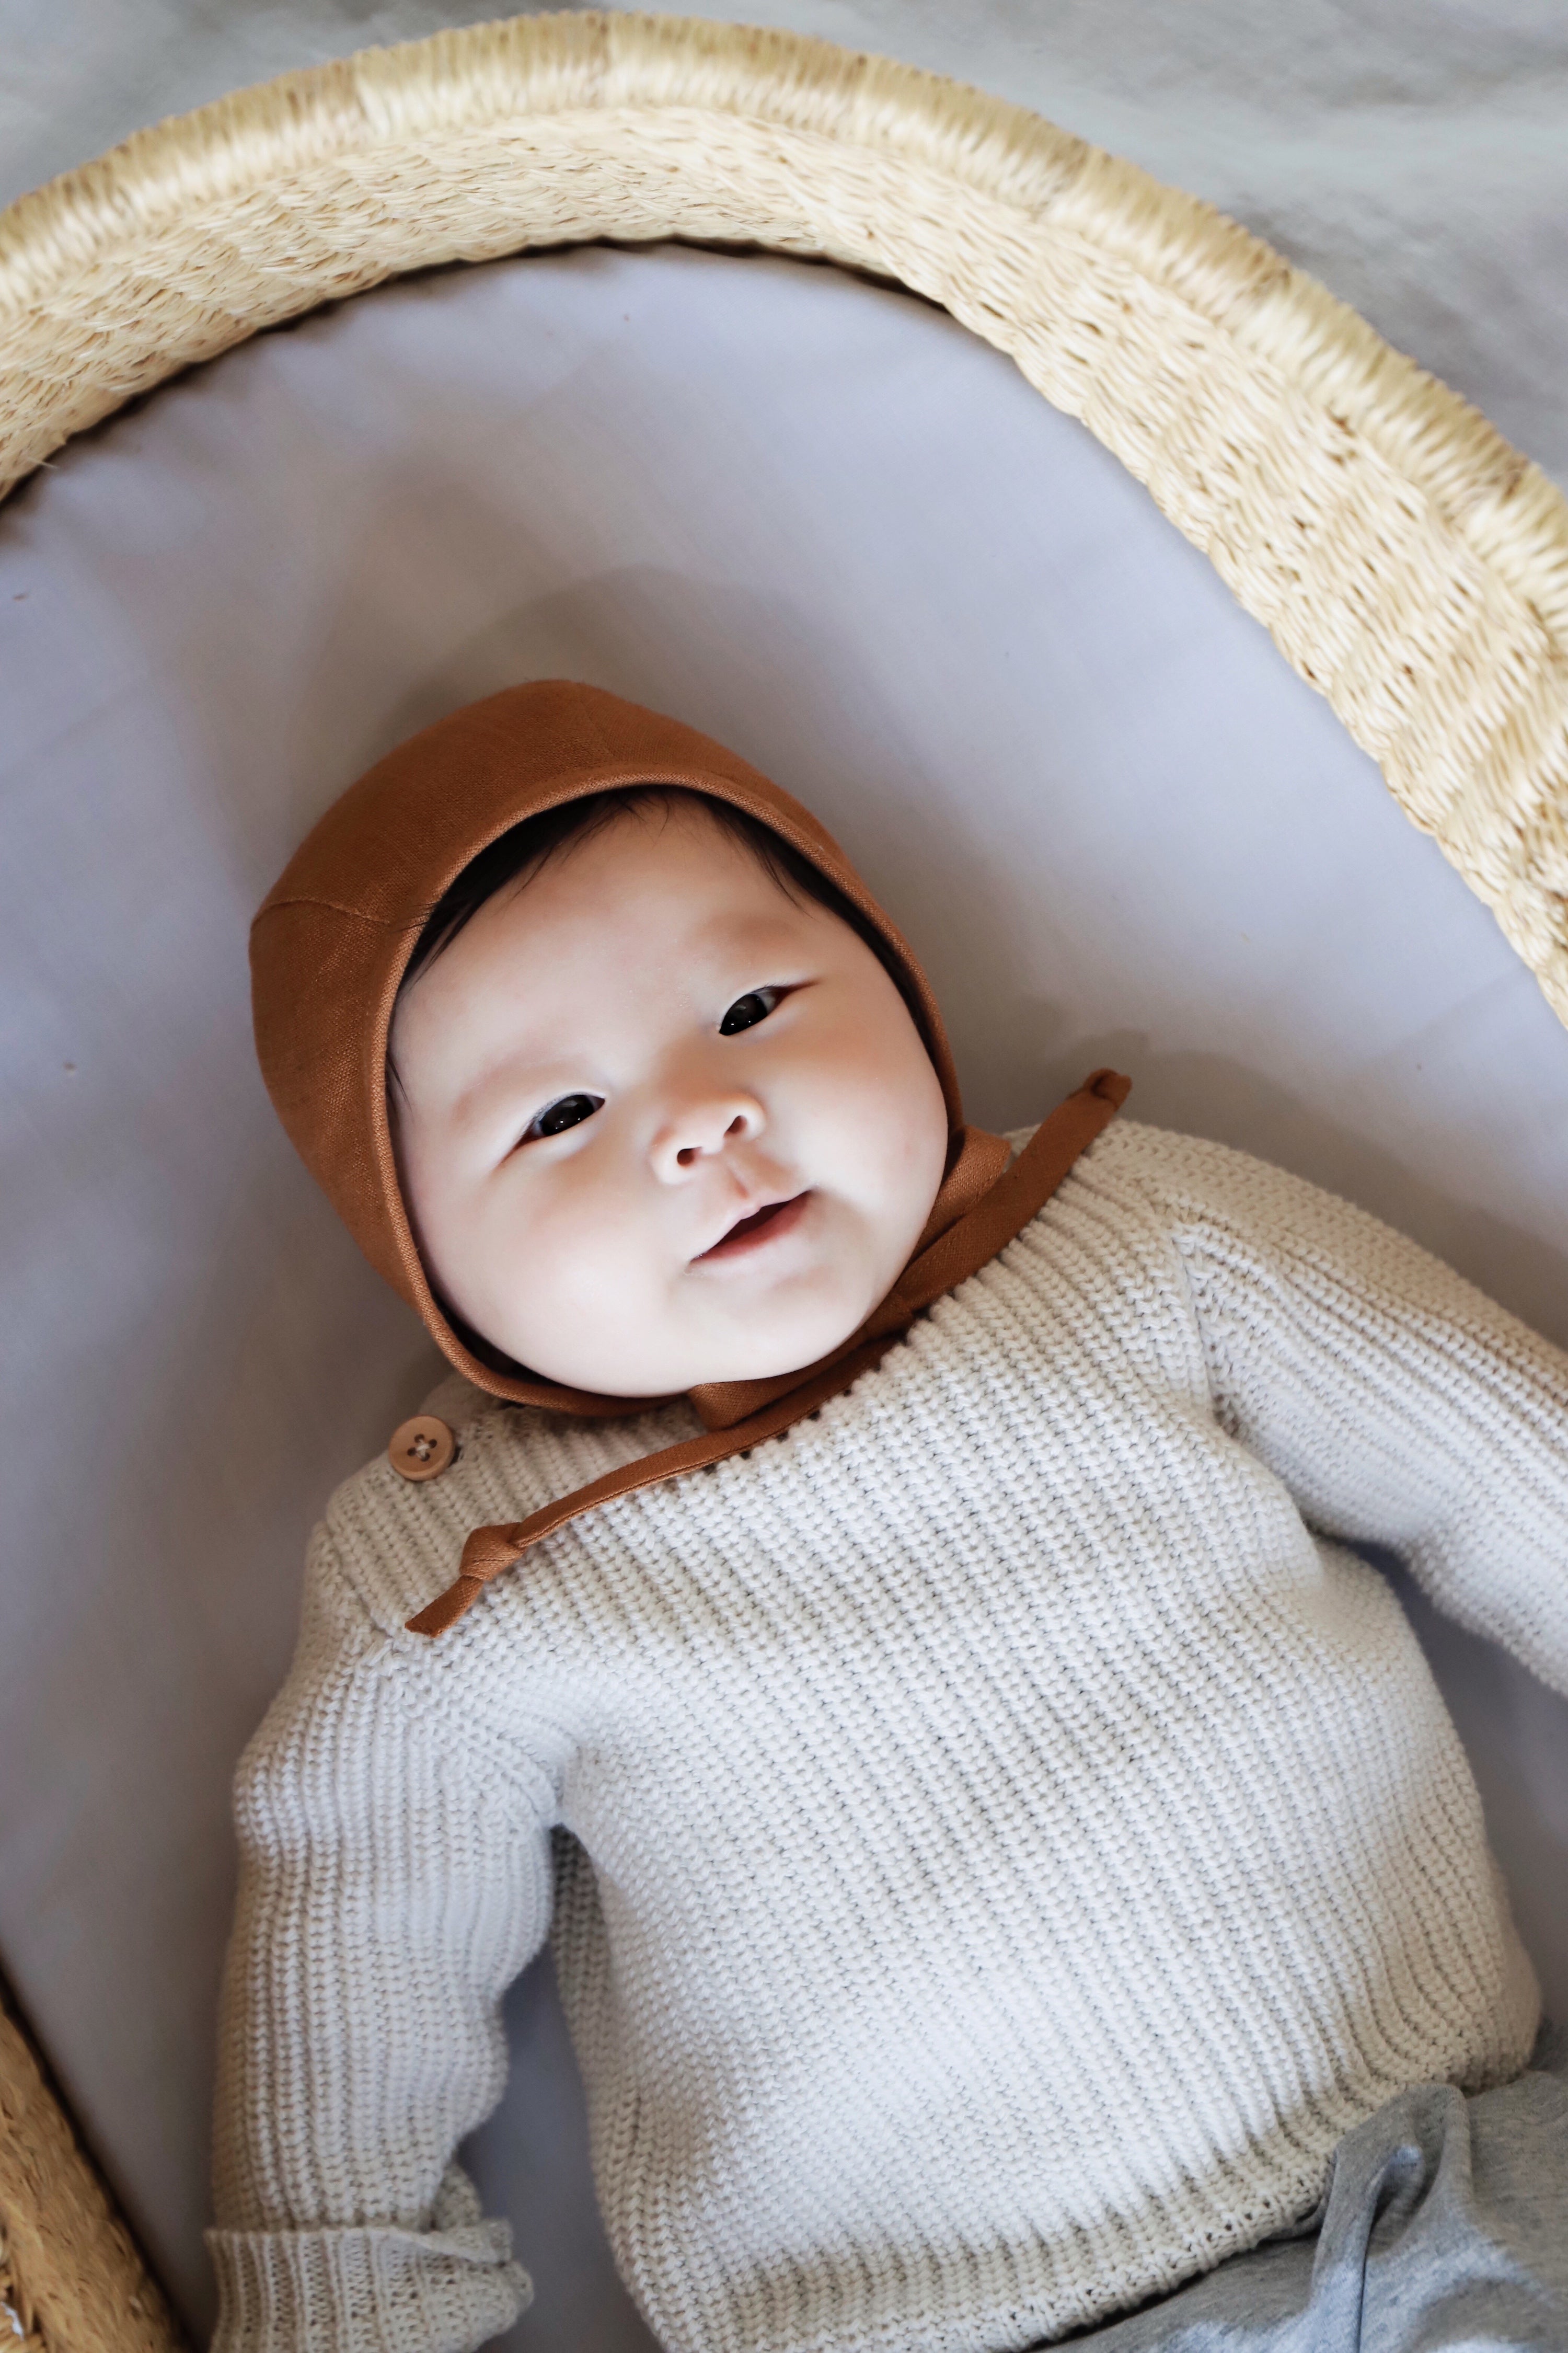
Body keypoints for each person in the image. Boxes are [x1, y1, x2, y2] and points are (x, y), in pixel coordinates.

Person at [211, 680, 1568, 2353]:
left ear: (895, 980)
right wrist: (335, 2315)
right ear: (418, 1260)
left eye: (755, 1002)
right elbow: (356, 1970)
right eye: (559, 1115)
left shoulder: (1140, 1239)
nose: (702, 1117)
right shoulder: (459, 1580)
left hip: (1451, 2191)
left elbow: (1510, 1472)